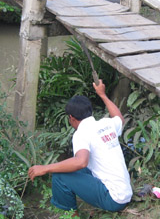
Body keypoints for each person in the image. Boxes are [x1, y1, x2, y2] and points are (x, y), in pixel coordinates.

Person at [27, 79, 132, 215]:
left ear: (72, 118)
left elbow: (81, 162)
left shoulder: (81, 133)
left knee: (59, 175)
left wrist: (45, 168)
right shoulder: (106, 124)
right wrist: (103, 95)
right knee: (69, 167)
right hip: (125, 192)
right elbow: (119, 118)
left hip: (113, 199)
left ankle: (72, 217)